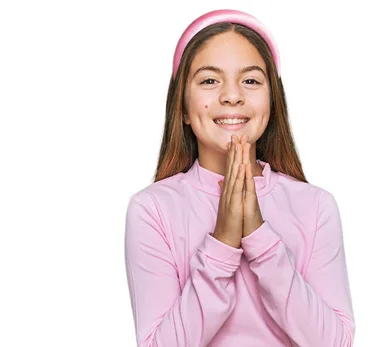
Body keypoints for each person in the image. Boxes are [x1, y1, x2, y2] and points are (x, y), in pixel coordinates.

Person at [124, 9, 355, 347]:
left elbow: (335, 342)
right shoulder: (152, 209)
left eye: (250, 80)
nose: (232, 96)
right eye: (209, 80)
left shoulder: (316, 206)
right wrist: (222, 242)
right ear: (184, 108)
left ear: (272, 101)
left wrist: (260, 238)